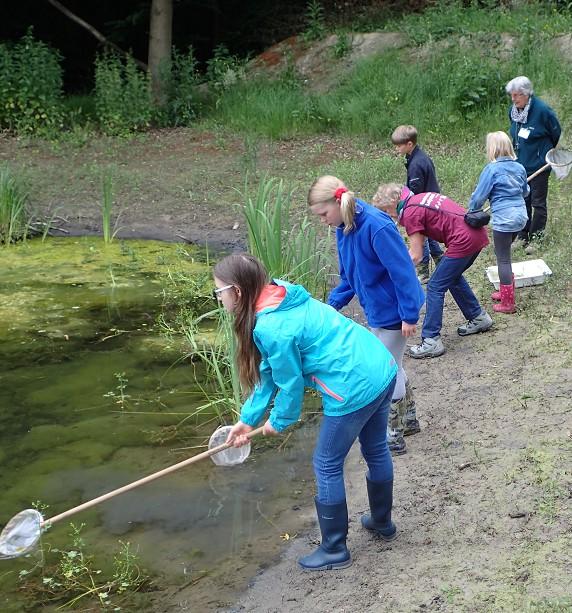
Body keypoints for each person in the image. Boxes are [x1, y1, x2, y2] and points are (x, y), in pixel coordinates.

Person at [219, 254, 399, 571]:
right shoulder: (283, 293)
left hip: (353, 385)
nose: (218, 298)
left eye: (219, 291)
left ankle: (334, 549)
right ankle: (382, 523)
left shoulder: (271, 327)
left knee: (326, 463)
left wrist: (280, 420)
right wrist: (247, 421)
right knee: (375, 447)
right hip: (380, 365)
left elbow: (289, 383)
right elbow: (270, 373)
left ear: (238, 291)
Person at [308, 175, 424, 456]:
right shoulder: (343, 228)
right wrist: (329, 306)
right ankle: (409, 420)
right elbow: (349, 277)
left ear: (338, 202)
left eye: (324, 214)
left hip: (395, 312)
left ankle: (393, 435)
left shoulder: (377, 226)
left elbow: (403, 272)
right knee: (392, 363)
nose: (323, 220)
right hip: (376, 309)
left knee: (385, 370)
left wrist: (409, 314)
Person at [372, 184, 493, 358]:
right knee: (450, 276)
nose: (389, 216)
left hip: (463, 240)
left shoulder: (410, 212)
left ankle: (431, 340)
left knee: (436, 286)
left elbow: (415, 255)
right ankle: (478, 317)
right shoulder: (419, 199)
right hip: (476, 234)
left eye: (386, 210)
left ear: (394, 201)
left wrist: (390, 270)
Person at [468, 131, 529, 314]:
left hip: (504, 219)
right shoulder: (519, 167)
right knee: (503, 251)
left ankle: (508, 303)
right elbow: (525, 191)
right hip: (520, 218)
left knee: (503, 258)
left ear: (492, 149)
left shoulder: (491, 170)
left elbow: (479, 197)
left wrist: (472, 210)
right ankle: (506, 287)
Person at [506, 76, 561, 253]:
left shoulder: (542, 111)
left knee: (538, 202)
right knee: (523, 200)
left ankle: (536, 237)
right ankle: (523, 234)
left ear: (527, 94)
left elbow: (555, 132)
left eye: (517, 96)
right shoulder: (513, 111)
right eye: (512, 96)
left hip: (539, 165)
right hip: (520, 164)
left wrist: (544, 152)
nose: (513, 100)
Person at [391, 124, 444, 283]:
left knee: (422, 238)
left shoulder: (416, 164)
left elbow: (415, 190)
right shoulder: (417, 156)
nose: (396, 149)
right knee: (430, 235)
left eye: (399, 145)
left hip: (424, 205)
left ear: (409, 144)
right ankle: (441, 263)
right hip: (430, 201)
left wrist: (407, 208)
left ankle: (423, 272)